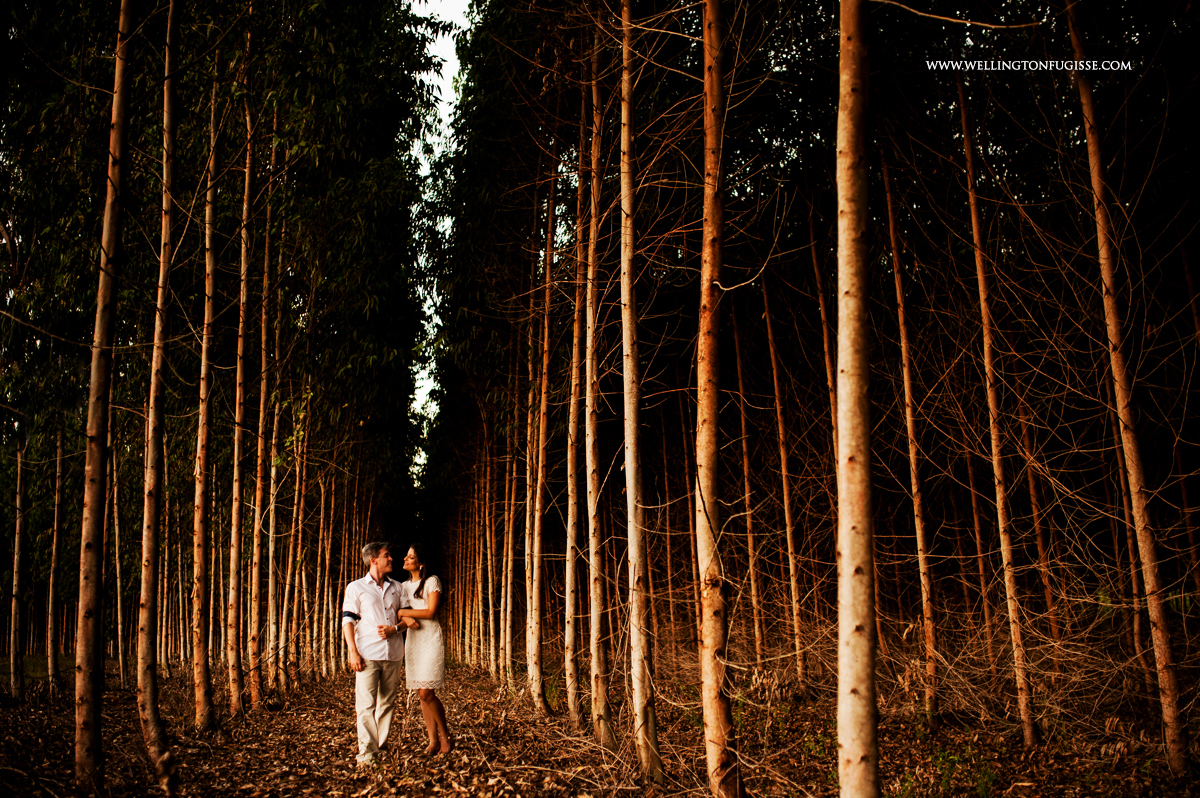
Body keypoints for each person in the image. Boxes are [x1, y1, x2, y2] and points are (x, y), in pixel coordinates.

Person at [341, 542, 417, 766]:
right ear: (373, 560)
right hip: (367, 654)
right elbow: (348, 620)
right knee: (365, 705)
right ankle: (366, 754)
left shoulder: (398, 587)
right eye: (387, 555)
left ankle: (381, 748)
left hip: (393, 654)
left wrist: (396, 629)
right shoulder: (356, 587)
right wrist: (352, 652)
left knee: (387, 704)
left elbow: (406, 618)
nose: (392, 559)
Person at [395, 544, 453, 754]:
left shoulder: (431, 581)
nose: (405, 558)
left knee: (426, 691)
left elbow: (430, 612)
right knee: (422, 694)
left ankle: (445, 736)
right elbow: (399, 616)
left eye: (411, 557)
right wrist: (402, 617)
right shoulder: (402, 586)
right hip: (413, 640)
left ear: (420, 563)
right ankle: (432, 741)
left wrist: (403, 612)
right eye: (406, 555)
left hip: (430, 638)